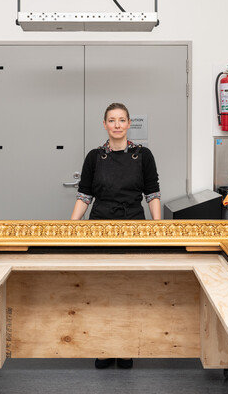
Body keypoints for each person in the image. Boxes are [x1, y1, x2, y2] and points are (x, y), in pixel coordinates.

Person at [71, 102, 161, 369]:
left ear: (129, 123)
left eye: (122, 120)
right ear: (105, 124)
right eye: (112, 120)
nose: (117, 125)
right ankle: (103, 347)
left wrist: (158, 228)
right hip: (100, 225)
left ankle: (125, 347)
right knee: (100, 288)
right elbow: (84, 195)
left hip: (134, 224)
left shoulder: (143, 155)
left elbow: (153, 193)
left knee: (129, 288)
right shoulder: (94, 157)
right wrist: (70, 227)